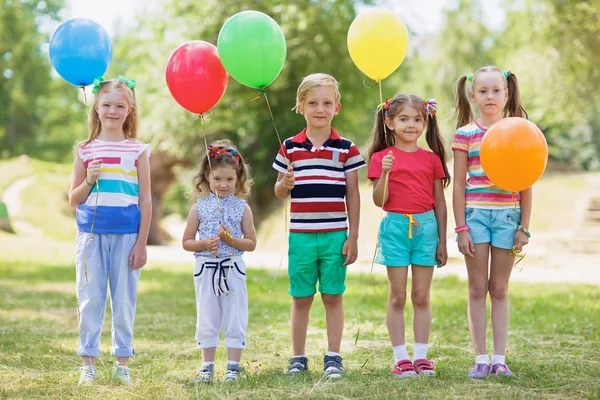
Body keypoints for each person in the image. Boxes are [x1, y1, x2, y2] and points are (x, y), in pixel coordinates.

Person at [273, 73, 365, 379]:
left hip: (334, 235)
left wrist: (353, 236)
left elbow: (353, 193)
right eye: (312, 103)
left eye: (326, 102)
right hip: (300, 236)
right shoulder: (290, 148)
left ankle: (333, 356)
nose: (320, 109)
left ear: (337, 107)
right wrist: (284, 183)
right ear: (301, 106)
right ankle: (298, 357)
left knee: (333, 296)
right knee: (300, 297)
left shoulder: (346, 149)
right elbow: (278, 191)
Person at [68, 76, 151, 385]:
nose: (112, 111)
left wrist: (141, 243)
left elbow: (146, 198)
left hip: (127, 234)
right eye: (106, 105)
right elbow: (73, 200)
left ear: (129, 110)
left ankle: (122, 364)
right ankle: (88, 364)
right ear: (96, 108)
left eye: (120, 106)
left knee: (124, 298)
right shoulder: (84, 149)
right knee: (89, 297)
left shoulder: (138, 150)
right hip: (91, 235)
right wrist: (89, 180)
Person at [452, 66, 531, 379]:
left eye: (496, 90)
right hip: (475, 218)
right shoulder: (465, 135)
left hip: (507, 217)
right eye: (483, 91)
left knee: (499, 288)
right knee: (476, 288)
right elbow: (459, 185)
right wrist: (460, 228)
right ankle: (481, 358)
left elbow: (526, 183)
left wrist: (524, 227)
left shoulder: (518, 131)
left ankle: (500, 358)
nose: (490, 97)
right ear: (472, 96)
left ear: (506, 94)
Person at [367, 94, 450, 378]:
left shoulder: (432, 159)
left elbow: (440, 201)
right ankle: (401, 357)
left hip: (426, 229)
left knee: (421, 295)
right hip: (395, 229)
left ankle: (422, 357)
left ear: (425, 122)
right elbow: (380, 201)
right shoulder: (381, 158)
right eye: (404, 119)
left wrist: (442, 239)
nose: (411, 125)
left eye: (417, 120)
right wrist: (386, 173)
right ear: (389, 123)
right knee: (398, 295)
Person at [182, 140, 257, 384]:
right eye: (217, 179)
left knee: (235, 314)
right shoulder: (199, 208)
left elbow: (251, 243)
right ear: (207, 177)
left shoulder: (242, 208)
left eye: (229, 180)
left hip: (232, 267)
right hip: (206, 268)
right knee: (207, 315)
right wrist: (204, 244)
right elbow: (186, 242)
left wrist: (230, 240)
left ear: (239, 180)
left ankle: (233, 366)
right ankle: (207, 366)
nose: (223, 185)